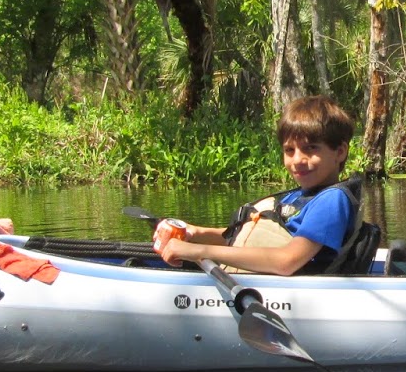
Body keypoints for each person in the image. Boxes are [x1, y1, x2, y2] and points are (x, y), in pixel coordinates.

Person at [153, 94, 367, 276]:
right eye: (289, 150)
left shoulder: (331, 200)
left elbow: (286, 260)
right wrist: (195, 233)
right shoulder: (295, 198)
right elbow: (245, 238)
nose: (298, 160)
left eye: (310, 148)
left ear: (340, 152)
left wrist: (198, 251)